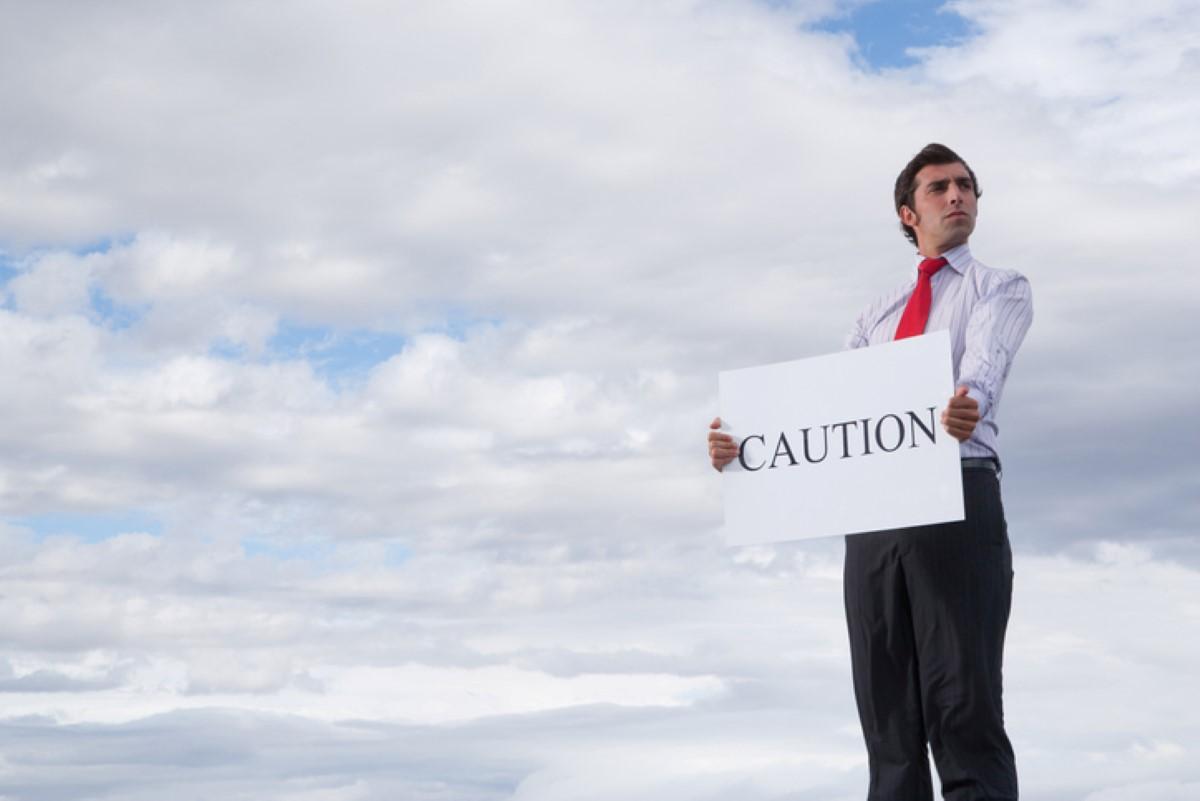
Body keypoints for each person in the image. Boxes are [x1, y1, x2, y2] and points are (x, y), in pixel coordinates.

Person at [707, 143, 1032, 801]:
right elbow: (833, 415)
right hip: (875, 511)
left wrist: (969, 398)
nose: (957, 196)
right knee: (887, 712)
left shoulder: (1000, 286)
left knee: (963, 699)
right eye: (940, 187)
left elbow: (986, 361)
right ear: (908, 212)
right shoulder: (874, 316)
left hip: (958, 495)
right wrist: (742, 449)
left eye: (967, 185)